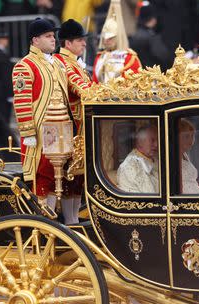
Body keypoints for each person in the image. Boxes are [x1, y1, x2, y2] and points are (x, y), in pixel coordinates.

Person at [12, 18, 72, 211]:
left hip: (60, 129)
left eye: (53, 36)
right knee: (41, 179)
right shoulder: (25, 66)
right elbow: (22, 103)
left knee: (56, 178)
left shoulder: (58, 64)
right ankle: (42, 219)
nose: (53, 40)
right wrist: (28, 133)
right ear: (35, 40)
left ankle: (53, 218)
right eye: (48, 36)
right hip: (39, 134)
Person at [54, 19, 93, 225]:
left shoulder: (73, 63)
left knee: (78, 179)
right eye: (80, 40)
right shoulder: (63, 63)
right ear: (68, 44)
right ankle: (70, 221)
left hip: (81, 128)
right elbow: (82, 89)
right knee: (71, 177)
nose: (84, 44)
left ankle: (74, 218)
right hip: (71, 128)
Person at [92, 3, 141, 84]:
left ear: (117, 37)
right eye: (104, 38)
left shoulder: (129, 57)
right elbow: (94, 82)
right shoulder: (99, 57)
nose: (106, 41)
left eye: (110, 38)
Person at [117, 125, 159, 194]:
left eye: (158, 140)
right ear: (140, 142)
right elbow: (149, 195)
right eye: (152, 140)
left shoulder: (155, 158)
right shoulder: (130, 166)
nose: (156, 144)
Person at [129, 3, 171, 69]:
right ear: (153, 19)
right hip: (154, 75)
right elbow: (164, 57)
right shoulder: (152, 37)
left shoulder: (134, 37)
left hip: (139, 75)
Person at [178, 118, 199, 194]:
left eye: (192, 136)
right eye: (187, 136)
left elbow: (192, 185)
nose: (191, 140)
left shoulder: (185, 155)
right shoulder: (172, 157)